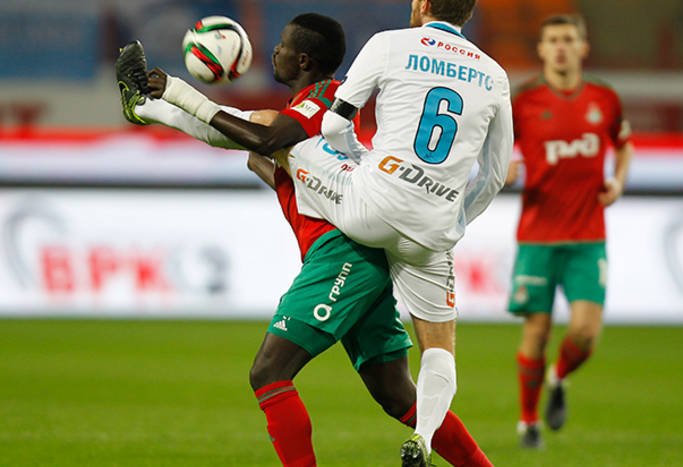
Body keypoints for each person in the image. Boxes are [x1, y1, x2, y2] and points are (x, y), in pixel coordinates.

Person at [116, 13, 491, 467]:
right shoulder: (302, 110)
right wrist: (158, 110)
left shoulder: (326, 100)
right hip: (356, 253)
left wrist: (173, 96)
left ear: (304, 60)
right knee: (395, 394)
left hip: (343, 253)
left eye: (284, 44)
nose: (275, 50)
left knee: (269, 372)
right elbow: (244, 137)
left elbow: (261, 135)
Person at [504, 13, 633, 448]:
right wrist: (502, 167)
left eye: (568, 39)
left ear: (582, 47)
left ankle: (558, 377)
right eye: (553, 40)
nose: (561, 47)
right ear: (542, 49)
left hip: (588, 237)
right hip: (537, 237)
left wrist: (618, 182)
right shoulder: (524, 101)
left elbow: (624, 144)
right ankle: (528, 423)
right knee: (537, 331)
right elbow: (495, 147)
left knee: (584, 332)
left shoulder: (604, 98)